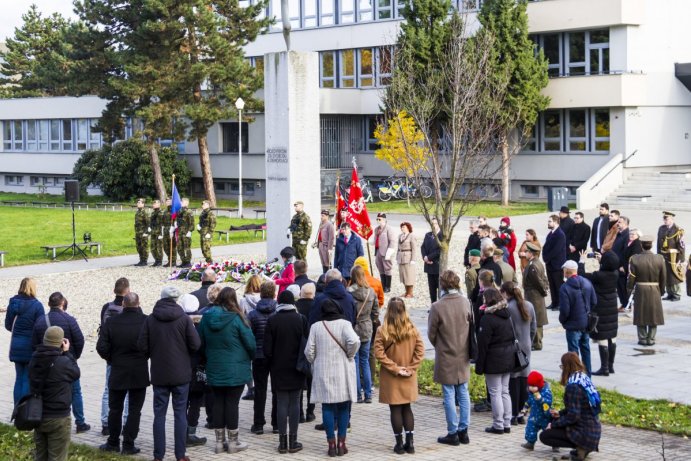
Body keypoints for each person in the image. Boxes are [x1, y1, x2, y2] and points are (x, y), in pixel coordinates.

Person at [137, 286, 201, 461]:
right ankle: (180, 455)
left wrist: (154, 354)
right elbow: (195, 344)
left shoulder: (151, 319)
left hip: (159, 373)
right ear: (176, 300)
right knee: (180, 413)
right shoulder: (184, 319)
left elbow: (142, 346)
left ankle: (158, 455)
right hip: (181, 373)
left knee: (159, 414)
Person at [198, 287, 255, 453]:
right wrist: (249, 357)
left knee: (218, 402)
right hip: (236, 368)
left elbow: (200, 342)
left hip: (214, 366)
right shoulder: (237, 318)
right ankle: (233, 442)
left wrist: (208, 357)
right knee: (232, 403)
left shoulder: (206, 318)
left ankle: (218, 442)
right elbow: (250, 343)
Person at [305, 298, 360, 457]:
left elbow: (309, 351)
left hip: (323, 371)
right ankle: (342, 443)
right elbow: (355, 341)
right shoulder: (345, 324)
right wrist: (350, 354)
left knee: (327, 407)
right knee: (343, 406)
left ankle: (331, 445)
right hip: (342, 370)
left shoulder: (316, 327)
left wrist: (315, 360)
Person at [96, 292, 149, 455]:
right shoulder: (146, 321)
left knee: (115, 409)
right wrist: (143, 356)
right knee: (134, 410)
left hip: (118, 368)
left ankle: (113, 441)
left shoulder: (111, 322)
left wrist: (112, 359)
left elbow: (101, 347)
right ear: (138, 304)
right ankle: (128, 443)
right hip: (139, 369)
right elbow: (152, 344)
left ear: (124, 305)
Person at [32, 292, 90, 434]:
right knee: (76, 391)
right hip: (66, 360)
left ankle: (40, 416)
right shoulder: (69, 320)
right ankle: (80, 422)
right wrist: (73, 356)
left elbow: (34, 342)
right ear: (62, 303)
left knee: (46, 389)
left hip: (46, 362)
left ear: (49, 304)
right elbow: (80, 340)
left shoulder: (40, 321)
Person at [373, 297, 425, 454]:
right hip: (408, 375)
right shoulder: (413, 329)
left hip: (391, 376)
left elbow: (378, 353)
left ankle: (399, 444)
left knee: (395, 409)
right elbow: (420, 351)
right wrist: (411, 368)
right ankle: (411, 443)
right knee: (407, 408)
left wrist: (395, 368)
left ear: (388, 310)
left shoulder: (382, 331)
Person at [428, 270, 472, 446]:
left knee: (449, 393)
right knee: (463, 392)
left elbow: (431, 333)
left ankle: (453, 432)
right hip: (463, 352)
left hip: (446, 353)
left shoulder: (437, 306)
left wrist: (440, 344)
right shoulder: (465, 302)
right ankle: (464, 430)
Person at [264, 290, 308, 453]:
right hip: (297, 366)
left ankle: (282, 443)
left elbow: (267, 349)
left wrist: (272, 362)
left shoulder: (272, 320)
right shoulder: (301, 319)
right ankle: (293, 440)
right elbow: (307, 343)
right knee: (295, 402)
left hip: (278, 367)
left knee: (281, 402)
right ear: (293, 302)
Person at [29, 326, 80, 461]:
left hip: (38, 414)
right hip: (58, 416)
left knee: (40, 456)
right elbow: (76, 373)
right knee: (57, 457)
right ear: (61, 342)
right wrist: (67, 353)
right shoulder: (63, 361)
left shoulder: (35, 358)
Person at [539, 353, 602, 461]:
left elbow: (573, 416)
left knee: (545, 436)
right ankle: (582, 449)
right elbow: (579, 407)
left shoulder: (573, 386)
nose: (561, 369)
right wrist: (560, 413)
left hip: (585, 432)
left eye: (562, 366)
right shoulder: (583, 378)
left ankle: (581, 447)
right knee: (555, 418)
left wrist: (553, 425)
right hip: (593, 430)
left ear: (567, 367)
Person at [475, 288, 516, 435]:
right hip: (508, 357)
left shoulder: (488, 318)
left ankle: (498, 424)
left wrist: (479, 365)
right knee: (505, 391)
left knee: (495, 392)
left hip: (493, 359)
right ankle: (507, 422)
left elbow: (483, 344)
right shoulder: (507, 315)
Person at [577, 250, 619, 376]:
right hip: (612, 308)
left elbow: (582, 275)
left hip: (601, 308)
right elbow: (608, 266)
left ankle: (604, 368)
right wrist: (602, 260)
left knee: (603, 338)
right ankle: (610, 366)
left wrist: (582, 261)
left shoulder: (599, 276)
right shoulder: (615, 274)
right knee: (612, 337)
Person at [5, 277, 44, 406]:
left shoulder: (13, 303)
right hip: (30, 346)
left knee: (18, 378)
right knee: (27, 378)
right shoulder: (37, 306)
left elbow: (8, 325)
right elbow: (41, 327)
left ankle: (16, 408)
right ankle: (24, 410)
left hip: (16, 345)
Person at [99, 277, 130, 437]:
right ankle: (125, 423)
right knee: (127, 393)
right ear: (128, 291)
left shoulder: (107, 308)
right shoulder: (129, 308)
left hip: (111, 355)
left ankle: (105, 423)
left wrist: (107, 355)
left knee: (107, 389)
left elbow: (102, 331)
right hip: (127, 356)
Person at [502, 282, 536, 425]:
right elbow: (534, 328)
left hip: (512, 347)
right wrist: (529, 341)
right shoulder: (529, 305)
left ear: (506, 293)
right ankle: (522, 413)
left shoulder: (508, 308)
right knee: (524, 378)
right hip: (526, 345)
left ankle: (513, 414)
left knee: (513, 380)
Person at [178, 293, 209, 447]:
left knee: (182, 402)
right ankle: (191, 433)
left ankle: (181, 433)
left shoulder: (178, 323)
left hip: (181, 368)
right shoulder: (201, 323)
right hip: (198, 367)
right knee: (195, 402)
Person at [248, 280, 278, 435]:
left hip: (259, 355)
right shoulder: (278, 312)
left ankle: (258, 423)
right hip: (275, 355)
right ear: (274, 293)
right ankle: (276, 423)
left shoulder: (253, 314)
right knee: (277, 390)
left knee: (260, 390)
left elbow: (249, 336)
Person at [559, 260, 597, 375]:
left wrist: (562, 320)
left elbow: (565, 310)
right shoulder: (587, 282)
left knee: (573, 353)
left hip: (572, 324)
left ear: (566, 271)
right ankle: (587, 376)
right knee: (586, 349)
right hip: (586, 323)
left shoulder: (565, 287)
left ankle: (575, 376)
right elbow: (594, 301)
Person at [348, 265, 379, 404]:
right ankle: (368, 394)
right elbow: (376, 312)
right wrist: (371, 321)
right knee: (365, 361)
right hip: (366, 327)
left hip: (353, 327)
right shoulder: (371, 292)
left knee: (354, 361)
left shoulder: (349, 292)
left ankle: (357, 394)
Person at [628, 236, 666, 346]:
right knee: (654, 315)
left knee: (641, 314)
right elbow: (663, 277)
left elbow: (631, 277)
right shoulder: (659, 258)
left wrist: (630, 289)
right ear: (652, 245)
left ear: (641, 245)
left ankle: (642, 338)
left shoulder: (635, 258)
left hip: (640, 289)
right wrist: (662, 291)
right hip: (655, 289)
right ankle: (651, 338)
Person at [522, 242, 549, 351]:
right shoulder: (536, 262)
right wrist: (545, 288)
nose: (525, 253)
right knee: (536, 318)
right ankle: (536, 342)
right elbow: (544, 279)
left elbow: (538, 281)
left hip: (534, 296)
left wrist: (543, 290)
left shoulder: (533, 265)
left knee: (536, 319)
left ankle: (537, 343)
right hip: (534, 294)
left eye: (527, 251)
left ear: (531, 253)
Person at [296, 282, 317, 422]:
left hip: (297, 349)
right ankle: (310, 411)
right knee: (311, 383)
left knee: (299, 383)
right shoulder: (317, 307)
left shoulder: (295, 307)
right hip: (313, 348)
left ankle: (300, 414)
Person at [521, 371, 553, 451]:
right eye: (530, 386)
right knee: (530, 429)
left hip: (544, 417)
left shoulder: (546, 392)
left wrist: (541, 399)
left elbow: (548, 403)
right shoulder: (531, 393)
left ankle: (554, 444)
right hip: (534, 416)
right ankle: (530, 443)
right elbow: (529, 401)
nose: (531, 388)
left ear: (539, 385)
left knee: (548, 431)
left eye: (533, 386)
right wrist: (525, 408)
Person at [657, 211, 685, 301]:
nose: (665, 221)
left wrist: (680, 259)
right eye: (664, 219)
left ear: (672, 219)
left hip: (674, 256)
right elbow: (659, 243)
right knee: (666, 275)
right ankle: (669, 293)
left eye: (667, 219)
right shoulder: (661, 228)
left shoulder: (678, 230)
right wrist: (658, 255)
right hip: (663, 255)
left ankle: (676, 294)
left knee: (674, 275)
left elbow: (681, 245)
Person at [543, 214, 567, 310]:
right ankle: (554, 302)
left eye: (550, 221)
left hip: (557, 264)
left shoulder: (560, 234)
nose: (548, 223)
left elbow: (556, 250)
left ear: (556, 222)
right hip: (550, 264)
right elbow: (545, 247)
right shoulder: (550, 234)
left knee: (558, 285)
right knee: (552, 284)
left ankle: (560, 304)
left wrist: (547, 258)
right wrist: (545, 257)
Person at [621, 228, 643, 311]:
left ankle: (631, 305)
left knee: (631, 287)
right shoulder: (630, 242)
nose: (631, 235)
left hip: (632, 269)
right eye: (630, 234)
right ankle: (628, 304)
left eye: (633, 234)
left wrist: (625, 267)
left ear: (638, 236)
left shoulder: (637, 244)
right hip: (627, 267)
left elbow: (633, 259)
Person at [374, 212, 396, 293]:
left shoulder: (388, 229)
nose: (378, 221)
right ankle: (383, 285)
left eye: (379, 219)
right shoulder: (376, 229)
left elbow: (392, 241)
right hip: (378, 251)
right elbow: (375, 239)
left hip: (386, 252)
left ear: (384, 220)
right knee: (380, 268)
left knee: (387, 268)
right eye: (377, 219)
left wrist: (389, 251)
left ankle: (388, 286)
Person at [421, 218, 442, 302]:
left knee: (439, 286)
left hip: (437, 264)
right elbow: (423, 247)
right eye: (432, 224)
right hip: (428, 265)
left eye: (435, 224)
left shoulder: (442, 235)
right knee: (431, 288)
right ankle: (433, 304)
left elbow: (440, 250)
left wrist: (429, 257)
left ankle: (440, 305)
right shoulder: (428, 235)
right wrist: (425, 257)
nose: (434, 225)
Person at [612, 215, 631, 308]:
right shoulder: (619, 233)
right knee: (619, 286)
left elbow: (626, 252)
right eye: (617, 222)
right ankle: (624, 304)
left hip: (622, 266)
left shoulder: (627, 235)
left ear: (626, 224)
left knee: (623, 286)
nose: (617, 224)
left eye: (619, 222)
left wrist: (624, 265)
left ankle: (627, 304)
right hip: (617, 264)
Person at [397, 221, 417, 298]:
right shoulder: (400, 236)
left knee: (409, 275)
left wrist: (413, 259)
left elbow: (414, 248)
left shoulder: (411, 236)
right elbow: (398, 247)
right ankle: (406, 292)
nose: (402, 228)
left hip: (408, 257)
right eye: (401, 227)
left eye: (404, 227)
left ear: (408, 228)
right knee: (403, 275)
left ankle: (410, 292)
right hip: (401, 257)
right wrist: (397, 257)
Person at [177, 197, 195, 268]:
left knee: (187, 247)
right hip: (180, 232)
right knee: (179, 247)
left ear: (186, 203)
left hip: (186, 232)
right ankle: (183, 261)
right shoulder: (179, 211)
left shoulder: (189, 212)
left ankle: (188, 262)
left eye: (182, 202)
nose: (180, 203)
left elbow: (192, 223)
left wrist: (190, 231)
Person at [134, 198, 150, 266]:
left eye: (140, 202)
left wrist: (146, 233)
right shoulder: (137, 212)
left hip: (143, 233)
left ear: (143, 204)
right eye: (137, 202)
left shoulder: (145, 213)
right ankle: (141, 260)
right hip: (138, 233)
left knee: (144, 247)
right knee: (139, 247)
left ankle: (144, 261)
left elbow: (148, 224)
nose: (138, 204)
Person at [163, 197, 178, 266]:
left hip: (172, 230)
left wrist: (173, 229)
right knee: (166, 247)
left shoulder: (174, 210)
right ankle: (170, 260)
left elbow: (176, 221)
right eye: (167, 201)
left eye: (169, 201)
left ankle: (173, 261)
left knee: (172, 247)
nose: (168, 202)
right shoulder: (165, 211)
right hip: (166, 230)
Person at [150, 199, 164, 266]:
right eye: (153, 204)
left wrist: (161, 234)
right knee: (153, 248)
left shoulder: (161, 213)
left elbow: (162, 224)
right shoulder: (153, 213)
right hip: (153, 232)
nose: (153, 205)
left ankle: (159, 261)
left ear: (159, 204)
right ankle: (156, 260)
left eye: (155, 204)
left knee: (159, 248)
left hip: (158, 233)